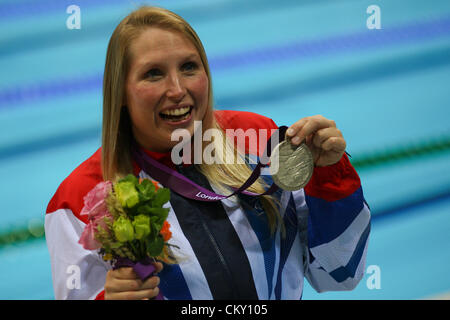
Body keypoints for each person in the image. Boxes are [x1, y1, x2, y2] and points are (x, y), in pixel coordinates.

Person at [45, 6, 371, 300]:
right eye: (153, 73)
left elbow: (339, 274)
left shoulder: (259, 141)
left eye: (189, 67)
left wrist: (328, 176)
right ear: (121, 92)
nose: (177, 90)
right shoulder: (82, 198)